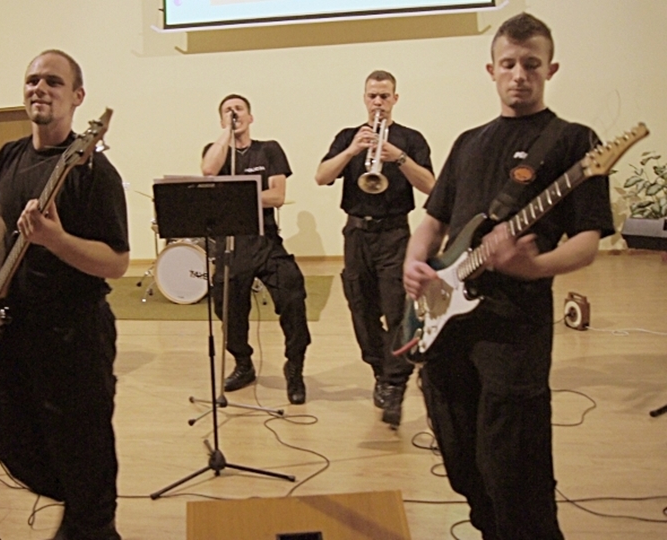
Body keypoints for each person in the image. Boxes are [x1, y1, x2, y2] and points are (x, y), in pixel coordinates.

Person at [402, 13, 613, 539]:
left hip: (514, 329)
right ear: (491, 69)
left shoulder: (573, 141)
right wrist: (414, 261)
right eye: (509, 64)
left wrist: (532, 266)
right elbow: (434, 220)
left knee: (515, 468)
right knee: (461, 458)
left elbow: (588, 241)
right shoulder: (469, 142)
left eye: (532, 64)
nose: (520, 74)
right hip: (446, 325)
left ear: (550, 69)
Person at [0, 50, 128, 540]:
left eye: (54, 81)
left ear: (77, 97)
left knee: (84, 449)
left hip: (74, 333)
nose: (40, 88)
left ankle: (91, 523)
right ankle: (80, 508)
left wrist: (56, 240)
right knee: (10, 432)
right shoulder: (10, 155)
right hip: (12, 326)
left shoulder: (92, 172)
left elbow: (116, 262)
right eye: (33, 79)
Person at [315, 70, 435, 428]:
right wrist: (353, 150)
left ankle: (394, 384)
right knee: (362, 311)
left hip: (395, 234)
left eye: (385, 96)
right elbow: (321, 176)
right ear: (364, 98)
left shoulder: (411, 139)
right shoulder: (347, 137)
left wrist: (398, 157)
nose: (378, 102)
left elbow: (431, 186)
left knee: (397, 312)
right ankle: (382, 371)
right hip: (356, 234)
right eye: (372, 96)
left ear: (395, 98)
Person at [201, 94, 312, 405]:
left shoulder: (269, 149)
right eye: (227, 111)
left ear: (250, 117)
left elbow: (276, 196)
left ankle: (295, 366)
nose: (234, 113)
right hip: (231, 243)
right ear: (221, 120)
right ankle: (243, 363)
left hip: (265, 240)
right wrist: (226, 134)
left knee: (292, 293)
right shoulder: (215, 151)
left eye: (239, 109)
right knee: (227, 307)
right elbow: (209, 171)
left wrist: (232, 196)